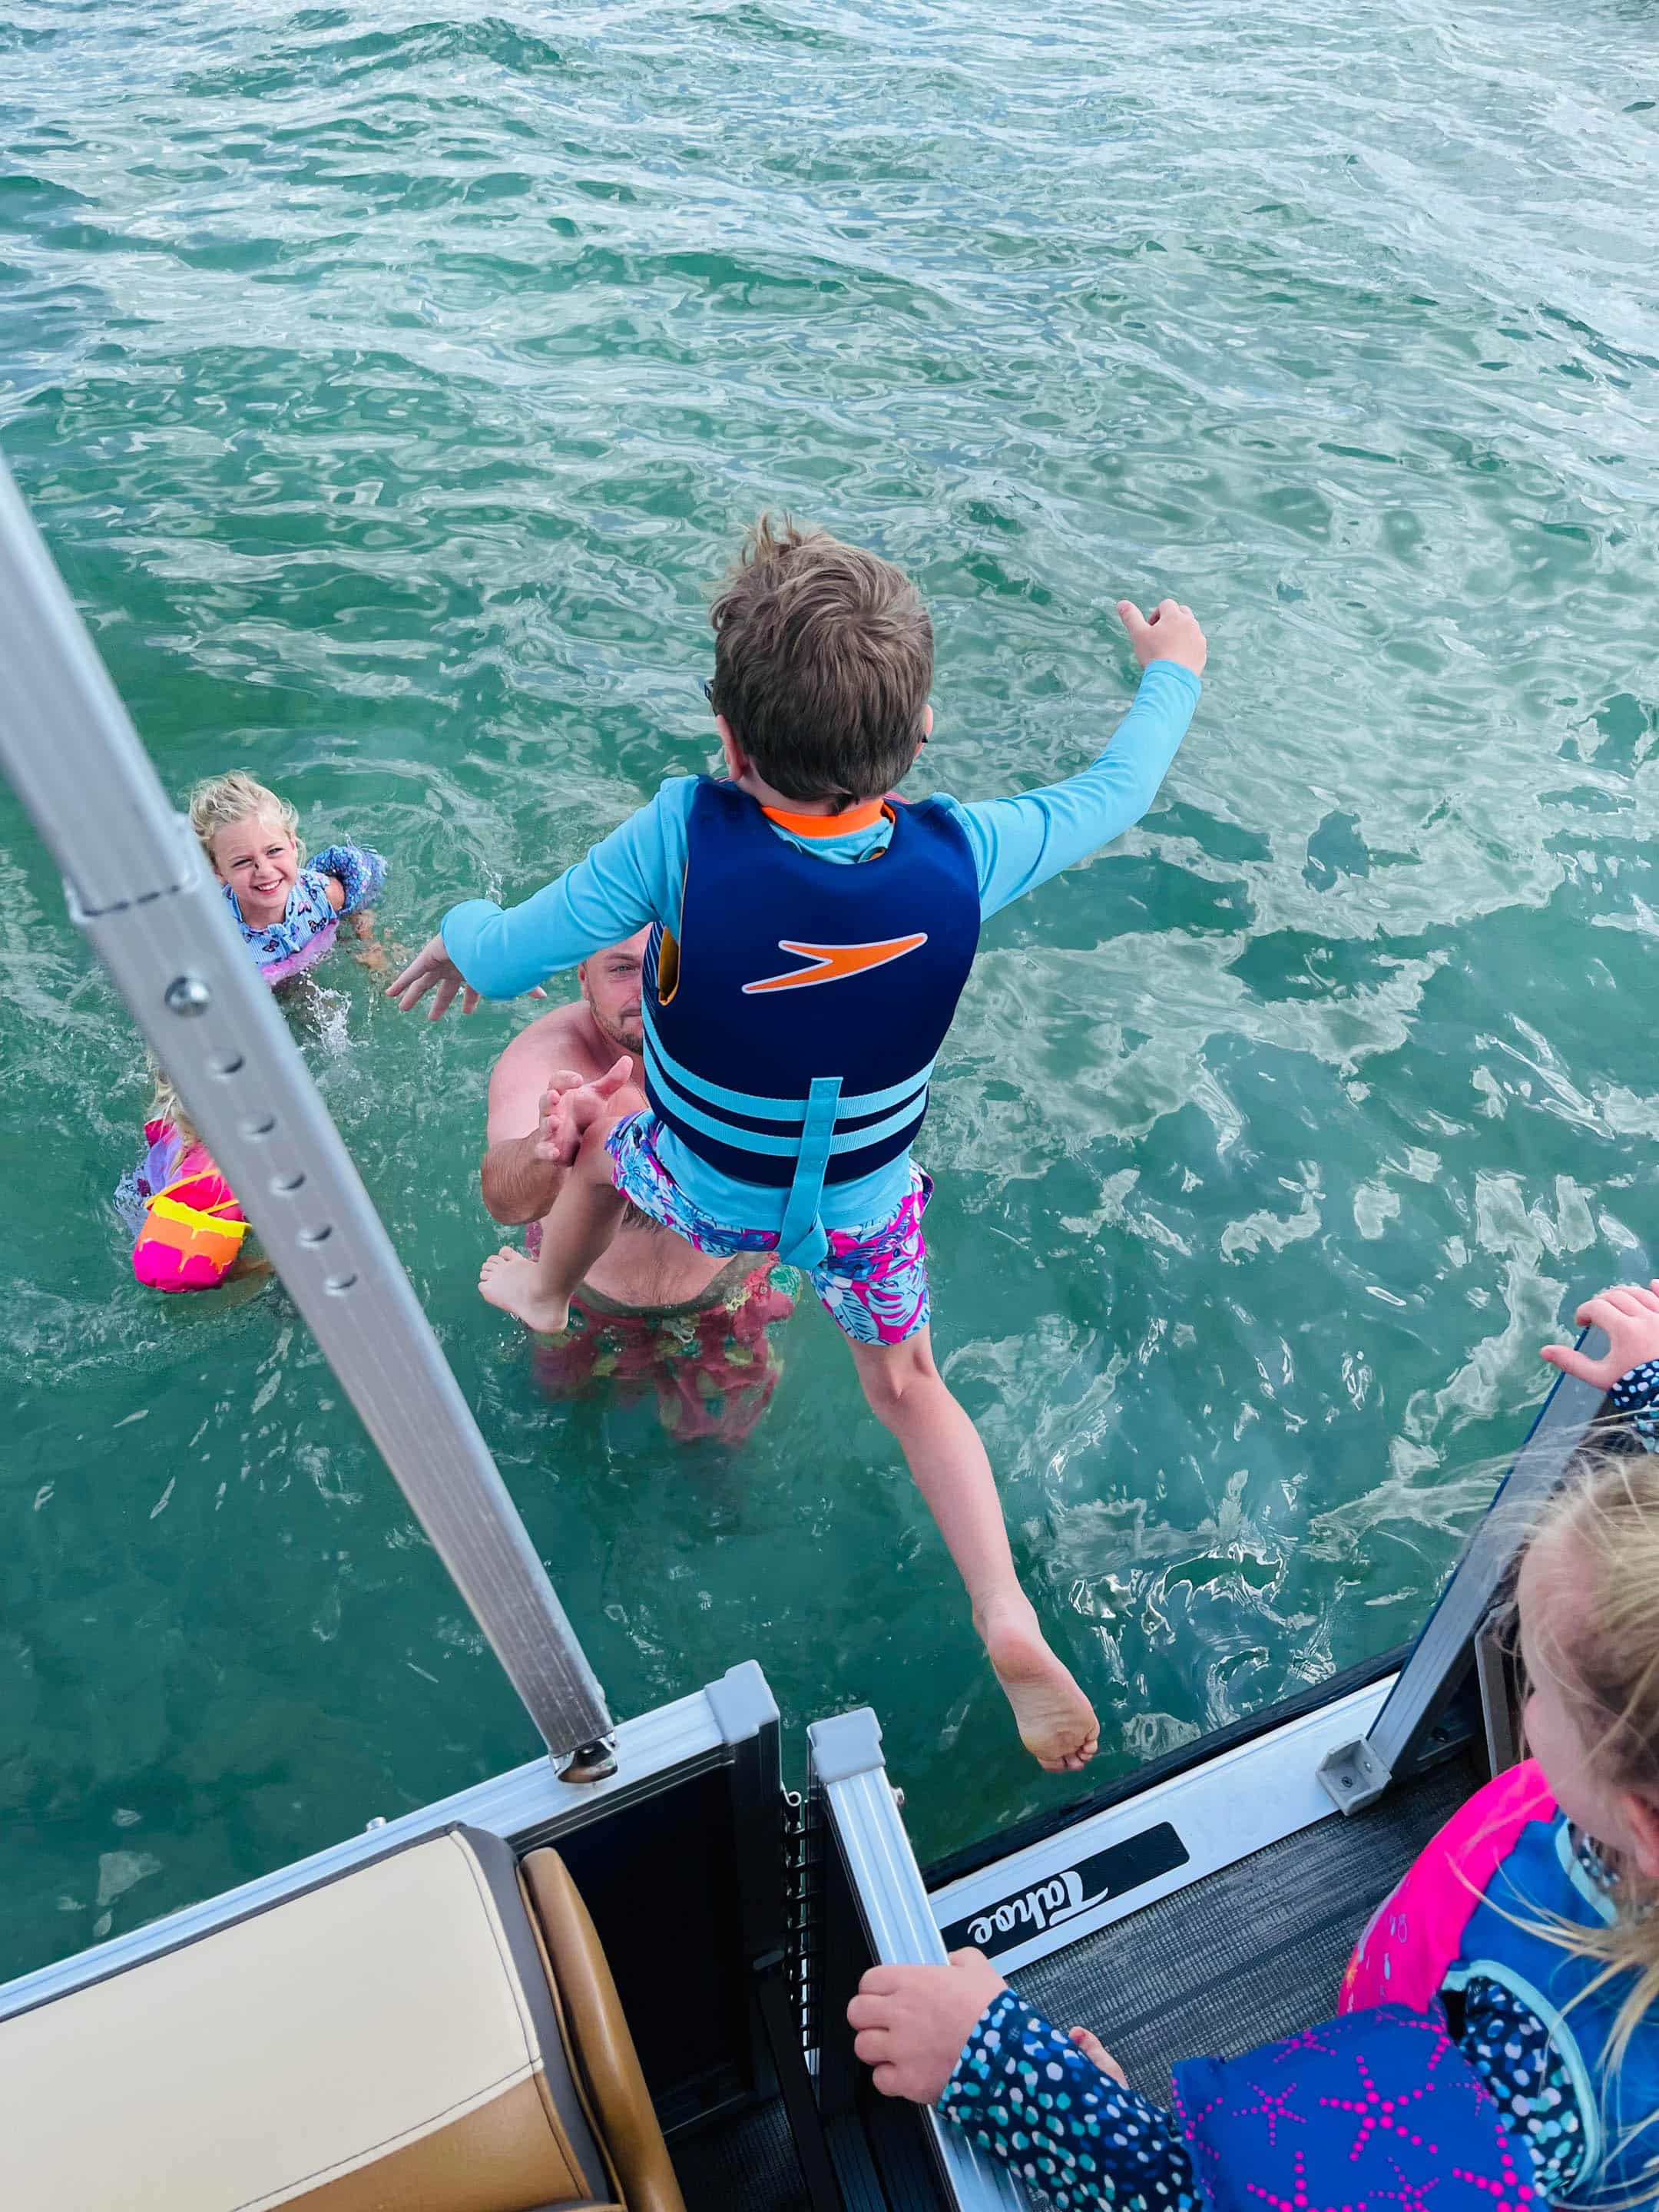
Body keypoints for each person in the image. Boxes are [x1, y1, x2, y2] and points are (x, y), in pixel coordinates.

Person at [389, 515, 1207, 1773]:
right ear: (919, 734)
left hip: (711, 1189)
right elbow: (1120, 789)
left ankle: (546, 1294)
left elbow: (505, 956)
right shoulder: (969, 854)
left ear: (728, 739)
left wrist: (458, 930)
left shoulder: (679, 836)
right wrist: (1172, 671)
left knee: (599, 1133)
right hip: (863, 1207)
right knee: (911, 1389)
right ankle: (1003, 1609)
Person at [846, 1280, 1659, 2209]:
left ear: (1640, 1819)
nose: (1522, 1686)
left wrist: (993, 2062)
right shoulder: (1632, 1811)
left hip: (1433, 2074)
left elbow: (1216, 2202)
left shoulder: (1538, 2079)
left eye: (1538, 1680)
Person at [482, 930, 798, 1444]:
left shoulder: (752, 1039)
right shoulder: (547, 1056)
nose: (648, 987)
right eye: (622, 969)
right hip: (582, 1302)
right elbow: (505, 1201)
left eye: (667, 961)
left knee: (720, 1455)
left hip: (730, 1296)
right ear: (584, 979)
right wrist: (544, 1151)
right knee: (562, 1431)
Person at [188, 770, 388, 982]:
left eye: (274, 851)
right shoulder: (222, 938)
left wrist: (370, 947)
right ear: (218, 871)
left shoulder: (322, 894)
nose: (264, 870)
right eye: (242, 862)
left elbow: (356, 912)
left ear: (292, 845)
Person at [121, 1069, 253, 1291]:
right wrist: (264, 1266)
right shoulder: (224, 1186)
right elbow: (210, 1268)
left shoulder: (178, 1111)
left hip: (148, 1196)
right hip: (188, 1236)